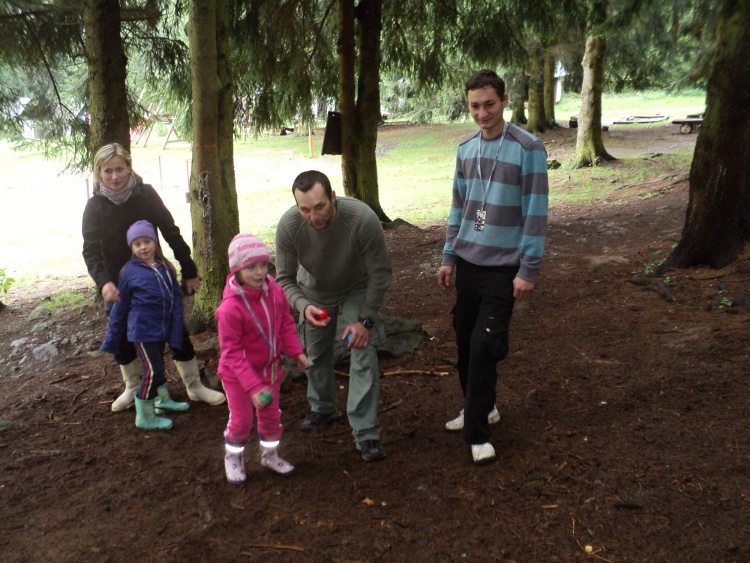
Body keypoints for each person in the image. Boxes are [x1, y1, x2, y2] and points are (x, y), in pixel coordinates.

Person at [437, 69, 549, 465]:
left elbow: (536, 212)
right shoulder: (466, 148)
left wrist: (528, 269)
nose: (482, 113)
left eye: (489, 104)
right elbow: (459, 206)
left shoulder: (527, 147)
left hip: (504, 268)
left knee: (486, 344)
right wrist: (448, 256)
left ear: (504, 101)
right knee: (466, 344)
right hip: (468, 263)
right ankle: (482, 405)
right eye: (475, 106)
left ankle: (477, 433)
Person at [82, 143, 225, 411]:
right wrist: (103, 283)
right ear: (99, 173)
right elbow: (90, 250)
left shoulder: (145, 194)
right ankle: (134, 388)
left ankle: (194, 386)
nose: (115, 176)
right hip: (118, 285)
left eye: (120, 169)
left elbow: (170, 231)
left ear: (129, 167)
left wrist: (189, 270)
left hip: (154, 278)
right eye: (108, 171)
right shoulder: (95, 206)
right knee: (122, 336)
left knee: (176, 329)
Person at [275, 170, 392, 462]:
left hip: (357, 286)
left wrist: (365, 321)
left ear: (333, 198)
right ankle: (323, 408)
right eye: (305, 209)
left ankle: (366, 432)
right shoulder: (289, 226)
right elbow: (283, 278)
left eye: (320, 207)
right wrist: (303, 306)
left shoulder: (362, 218)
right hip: (314, 290)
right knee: (314, 352)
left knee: (362, 350)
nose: (314, 216)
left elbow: (380, 273)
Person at [215, 234, 309, 483]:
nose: (259, 273)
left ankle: (269, 455)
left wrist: (296, 352)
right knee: (242, 421)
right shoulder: (229, 309)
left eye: (263, 265)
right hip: (238, 376)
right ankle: (233, 457)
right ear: (237, 270)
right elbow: (232, 353)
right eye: (251, 267)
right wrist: (254, 388)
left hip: (270, 369)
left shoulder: (275, 291)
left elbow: (285, 323)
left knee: (271, 416)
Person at [100, 221, 188, 430]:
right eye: (137, 244)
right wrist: (112, 337)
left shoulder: (165, 267)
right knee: (153, 370)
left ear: (155, 242)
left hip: (160, 329)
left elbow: (175, 298)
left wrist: (175, 327)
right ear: (131, 247)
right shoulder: (129, 272)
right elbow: (121, 307)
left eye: (147, 241)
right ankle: (144, 415)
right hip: (142, 331)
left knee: (158, 365)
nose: (143, 247)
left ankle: (161, 400)